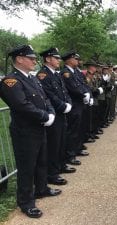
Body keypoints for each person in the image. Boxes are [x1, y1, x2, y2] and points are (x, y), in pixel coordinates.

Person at [0, 45, 61, 218]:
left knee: (41, 160)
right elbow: (21, 105)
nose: (35, 61)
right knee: (27, 167)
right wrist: (44, 116)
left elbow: (45, 98)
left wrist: (50, 112)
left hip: (39, 127)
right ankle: (26, 202)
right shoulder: (10, 81)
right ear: (19, 59)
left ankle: (41, 189)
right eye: (31, 58)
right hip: (25, 131)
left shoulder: (32, 79)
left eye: (35, 58)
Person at [37, 47, 75, 186]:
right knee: (53, 144)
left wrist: (68, 103)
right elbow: (48, 95)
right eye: (56, 58)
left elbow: (64, 92)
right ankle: (52, 174)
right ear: (48, 59)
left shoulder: (56, 74)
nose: (59, 60)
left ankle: (60, 165)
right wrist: (62, 106)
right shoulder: (43, 75)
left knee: (61, 141)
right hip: (55, 113)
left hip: (62, 113)